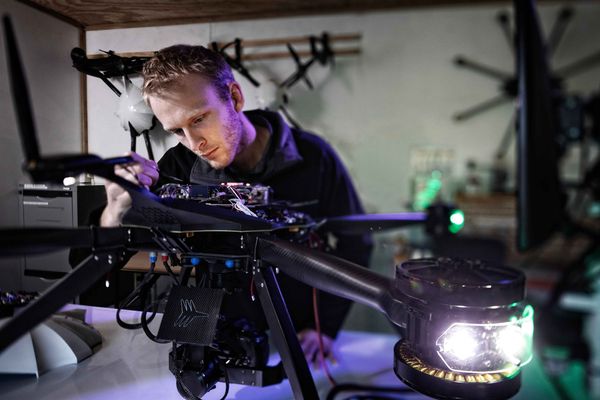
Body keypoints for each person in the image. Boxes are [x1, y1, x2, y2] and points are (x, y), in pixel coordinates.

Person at [101, 44, 372, 364]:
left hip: (294, 328)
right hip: (202, 322)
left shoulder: (314, 157)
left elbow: (356, 242)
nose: (194, 143)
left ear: (235, 97)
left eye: (199, 118)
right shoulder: (178, 164)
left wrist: (323, 327)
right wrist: (114, 213)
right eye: (176, 131)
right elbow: (113, 251)